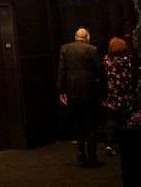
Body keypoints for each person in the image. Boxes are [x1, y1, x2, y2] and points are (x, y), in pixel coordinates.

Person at [57, 27, 106, 167]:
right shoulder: (92, 49)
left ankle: (80, 153)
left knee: (79, 125)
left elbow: (62, 71)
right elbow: (100, 73)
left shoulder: (65, 49)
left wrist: (61, 91)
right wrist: (103, 92)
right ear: (87, 38)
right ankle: (92, 156)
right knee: (91, 124)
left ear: (75, 37)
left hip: (72, 91)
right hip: (89, 91)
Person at [102, 37, 134, 156]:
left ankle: (109, 144)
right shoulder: (126, 61)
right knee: (125, 120)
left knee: (111, 120)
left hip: (112, 96)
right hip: (125, 95)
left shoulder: (106, 60)